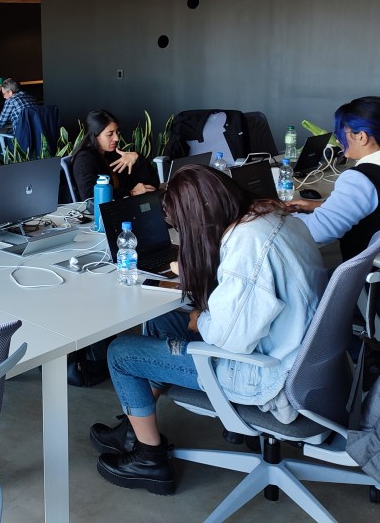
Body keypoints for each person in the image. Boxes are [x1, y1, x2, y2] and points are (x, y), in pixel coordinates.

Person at [91, 165, 326, 495]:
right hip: (302, 357)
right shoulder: (273, 216)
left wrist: (200, 318)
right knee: (161, 322)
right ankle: (134, 428)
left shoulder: (247, 244)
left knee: (121, 353)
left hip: (267, 375)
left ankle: (149, 459)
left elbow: (231, 338)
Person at [287, 96, 380, 267]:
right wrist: (323, 206)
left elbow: (318, 232)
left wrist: (278, 218)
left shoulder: (362, 178)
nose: (338, 139)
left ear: (361, 137)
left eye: (341, 133)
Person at [71, 109, 155, 200]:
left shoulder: (113, 154)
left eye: (116, 132)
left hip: (122, 204)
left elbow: (152, 184)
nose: (116, 138)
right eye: (110, 134)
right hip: (101, 209)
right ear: (94, 136)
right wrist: (131, 193)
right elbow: (90, 196)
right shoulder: (83, 160)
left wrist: (137, 157)